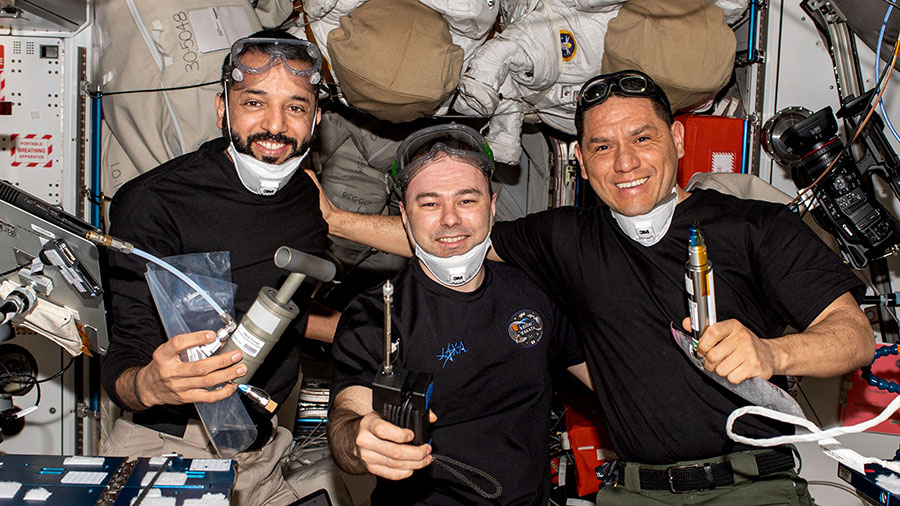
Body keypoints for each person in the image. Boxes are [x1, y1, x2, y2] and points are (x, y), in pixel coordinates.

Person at [312, 70, 875, 505]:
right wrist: (334, 219)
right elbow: (452, 237)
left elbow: (855, 336)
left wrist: (773, 351)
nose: (624, 161)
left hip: (750, 486)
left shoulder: (755, 227)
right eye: (602, 146)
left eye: (642, 137)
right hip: (632, 491)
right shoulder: (563, 241)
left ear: (677, 139)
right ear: (580, 161)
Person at [101, 31, 346, 506]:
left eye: (295, 107)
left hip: (265, 451)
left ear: (315, 119)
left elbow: (270, 304)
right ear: (222, 109)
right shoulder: (155, 202)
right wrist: (147, 384)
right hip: (168, 447)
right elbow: (128, 348)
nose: (275, 125)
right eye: (254, 102)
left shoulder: (306, 203)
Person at [325, 124, 591, 505]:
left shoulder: (535, 292)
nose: (450, 219)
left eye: (467, 200)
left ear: (493, 205)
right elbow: (347, 420)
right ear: (404, 214)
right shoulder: (378, 313)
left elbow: (606, 379)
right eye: (429, 203)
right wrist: (360, 440)